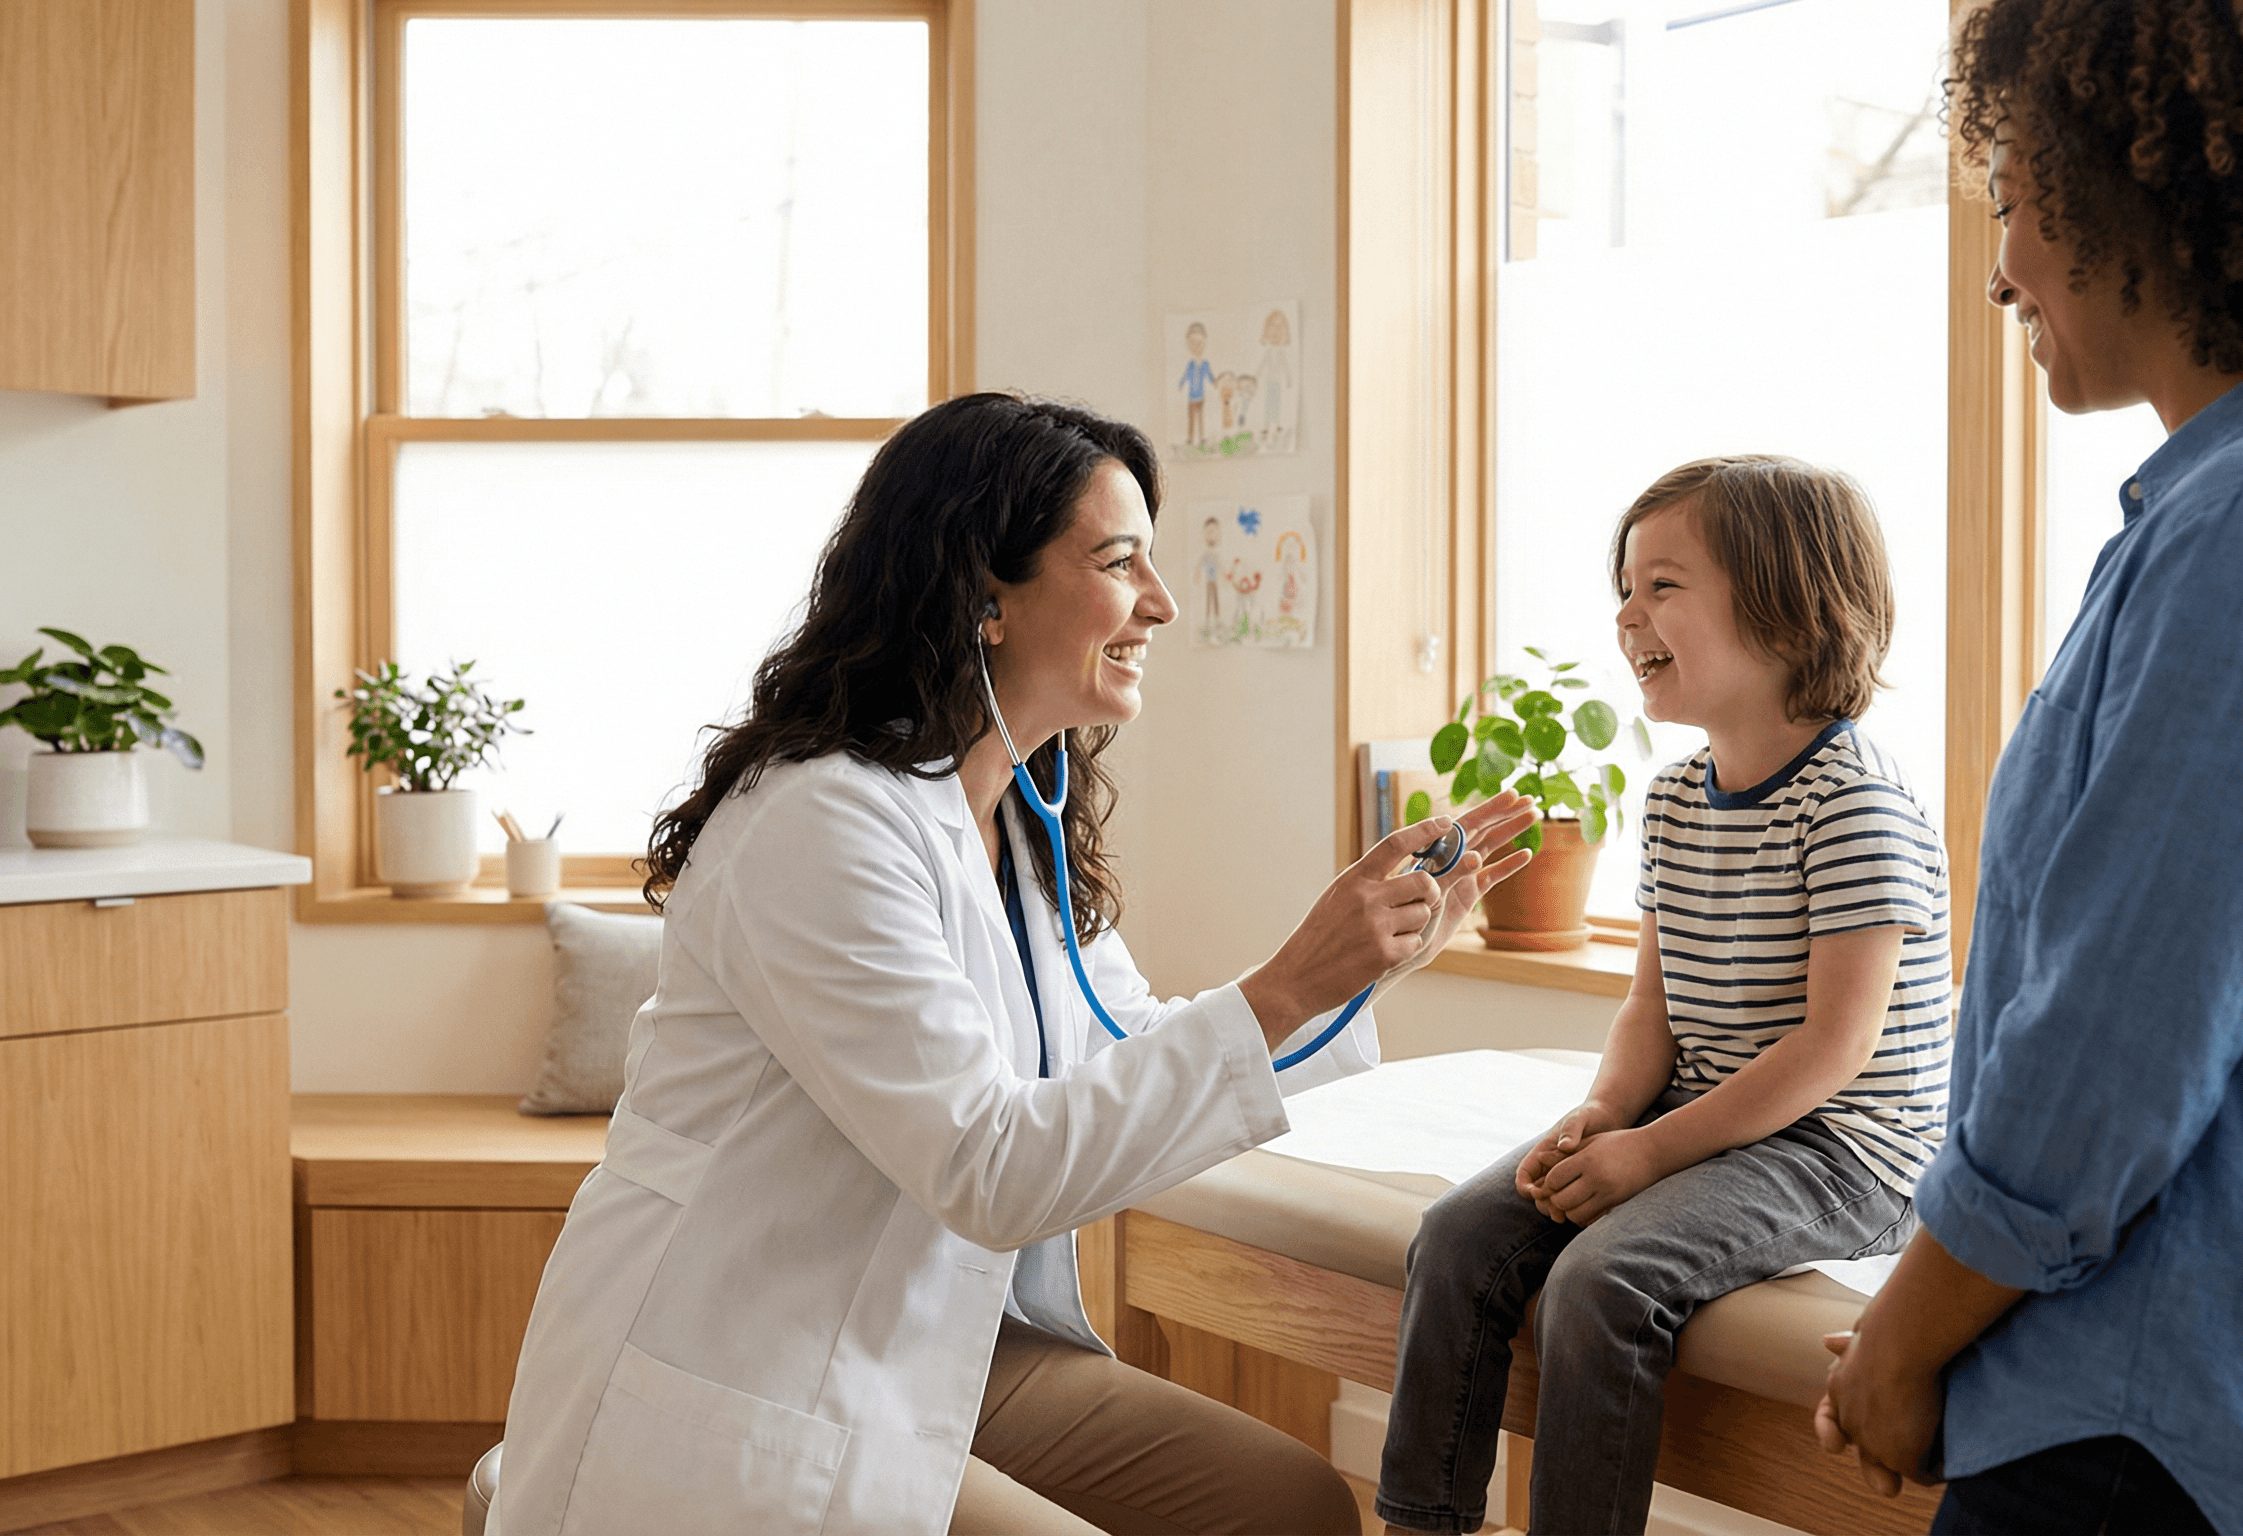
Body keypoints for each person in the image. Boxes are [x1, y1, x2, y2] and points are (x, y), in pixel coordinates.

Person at [489, 393, 1537, 1536]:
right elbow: (989, 1169)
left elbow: (1127, 1051)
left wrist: (1355, 971)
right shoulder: (820, 825)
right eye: (1119, 560)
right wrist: (1289, 978)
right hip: (756, 1355)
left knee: (1283, 1505)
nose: (1162, 604)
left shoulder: (1017, 824)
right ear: (983, 593)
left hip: (937, 1336)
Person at [1815, 1, 2243, 1531]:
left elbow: (2108, 1048)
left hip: (2163, 1438)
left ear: (2145, 185)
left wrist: (1903, 1336)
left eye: (2011, 202)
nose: (2000, 267)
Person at [1377, 457, 1952, 1534]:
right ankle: (1420, 1523)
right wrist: (1602, 1114)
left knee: (1603, 1280)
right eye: (1623, 589)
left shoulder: (1855, 807)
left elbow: (1831, 1052)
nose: (1625, 614)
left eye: (1661, 586)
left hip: (1848, 1149)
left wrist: (1645, 1152)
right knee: (1456, 1236)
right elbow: (1652, 1007)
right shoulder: (1677, 797)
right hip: (1711, 1109)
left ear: (1788, 603)